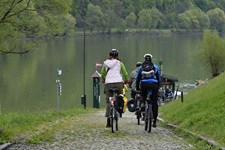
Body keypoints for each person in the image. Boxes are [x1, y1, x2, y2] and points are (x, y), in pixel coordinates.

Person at [101, 49, 128, 127]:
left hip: (108, 83)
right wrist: (126, 80)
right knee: (120, 96)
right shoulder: (120, 63)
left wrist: (103, 78)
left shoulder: (105, 63)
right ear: (117, 55)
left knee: (108, 101)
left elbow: (103, 73)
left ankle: (108, 120)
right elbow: (125, 73)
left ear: (109, 55)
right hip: (118, 82)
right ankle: (119, 110)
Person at [135, 53, 161, 128]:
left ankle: (143, 104)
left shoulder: (141, 67)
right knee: (154, 102)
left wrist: (137, 88)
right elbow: (159, 77)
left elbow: (138, 78)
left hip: (144, 84)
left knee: (143, 95)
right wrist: (158, 86)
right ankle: (155, 121)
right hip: (154, 84)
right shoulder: (155, 66)